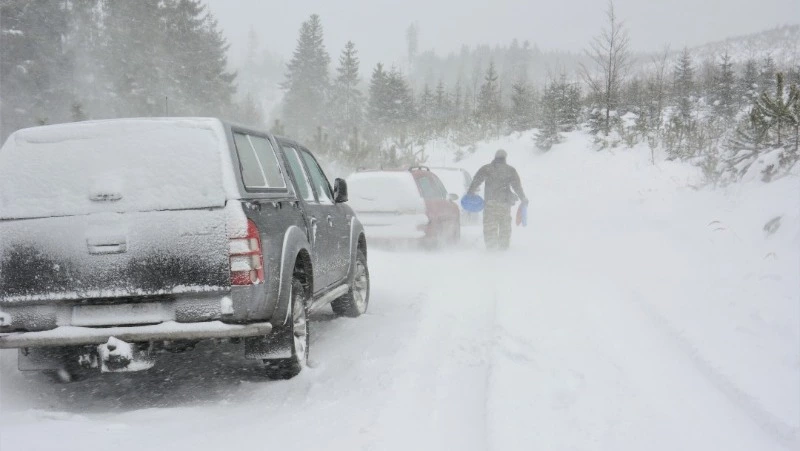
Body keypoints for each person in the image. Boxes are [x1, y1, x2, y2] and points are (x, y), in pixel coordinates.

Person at [466, 149, 527, 250]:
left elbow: (477, 180)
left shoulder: (487, 168)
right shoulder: (510, 170)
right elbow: (517, 187)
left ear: (495, 157)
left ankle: (491, 250)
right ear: (505, 158)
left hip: (490, 204)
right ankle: (503, 248)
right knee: (505, 227)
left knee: (490, 228)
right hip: (504, 205)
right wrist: (523, 198)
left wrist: (470, 192)